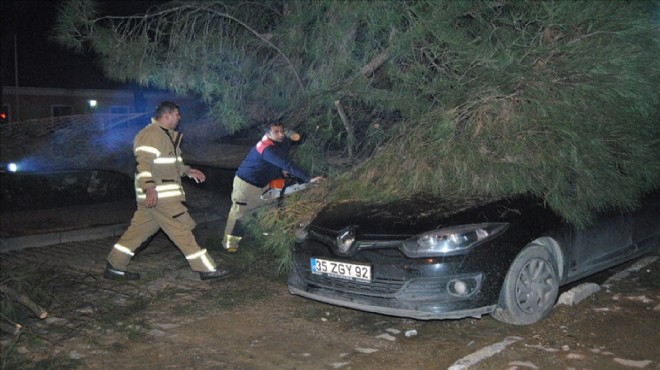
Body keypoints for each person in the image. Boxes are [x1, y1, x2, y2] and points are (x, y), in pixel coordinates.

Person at [104, 101, 231, 281]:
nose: (180, 118)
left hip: (157, 197)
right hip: (160, 196)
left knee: (137, 232)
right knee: (182, 231)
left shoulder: (167, 136)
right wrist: (149, 188)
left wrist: (187, 171)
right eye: (177, 114)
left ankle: (114, 266)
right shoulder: (150, 135)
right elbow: (144, 165)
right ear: (167, 116)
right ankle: (207, 269)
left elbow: (172, 165)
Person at [223, 122, 324, 252]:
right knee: (239, 214)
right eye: (276, 131)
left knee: (271, 208)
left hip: (263, 183)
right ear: (267, 133)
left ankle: (270, 239)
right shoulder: (266, 149)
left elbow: (278, 160)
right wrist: (308, 178)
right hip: (246, 185)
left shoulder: (279, 142)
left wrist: (280, 171)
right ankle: (230, 245)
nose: (281, 134)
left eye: (281, 130)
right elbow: (287, 164)